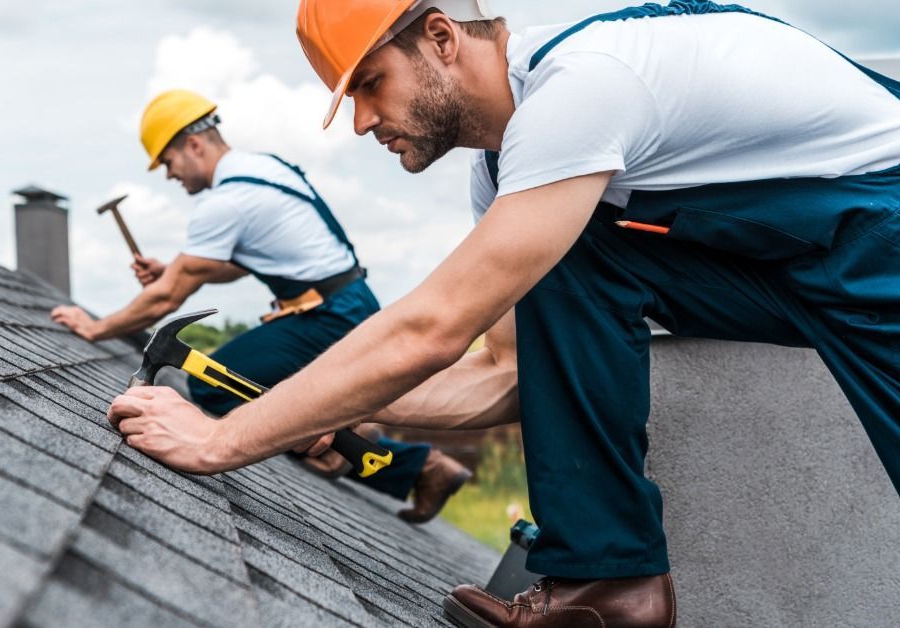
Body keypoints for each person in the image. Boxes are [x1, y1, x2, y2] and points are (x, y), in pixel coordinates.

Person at [106, 1, 900, 626]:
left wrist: (223, 438)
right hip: (791, 260)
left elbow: (433, 327)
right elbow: (507, 376)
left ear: (442, 38)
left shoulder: (582, 88)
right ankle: (609, 579)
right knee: (575, 253)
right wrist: (312, 410)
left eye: (370, 84)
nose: (359, 122)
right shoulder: (510, 176)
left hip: (881, 226)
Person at [51, 89, 471, 523]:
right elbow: (233, 266)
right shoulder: (263, 169)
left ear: (193, 145)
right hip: (344, 304)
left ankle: (383, 455)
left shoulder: (225, 200)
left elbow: (167, 297)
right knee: (273, 393)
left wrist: (95, 327)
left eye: (168, 163)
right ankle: (371, 448)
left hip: (326, 316)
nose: (170, 176)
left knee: (213, 386)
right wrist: (173, 269)